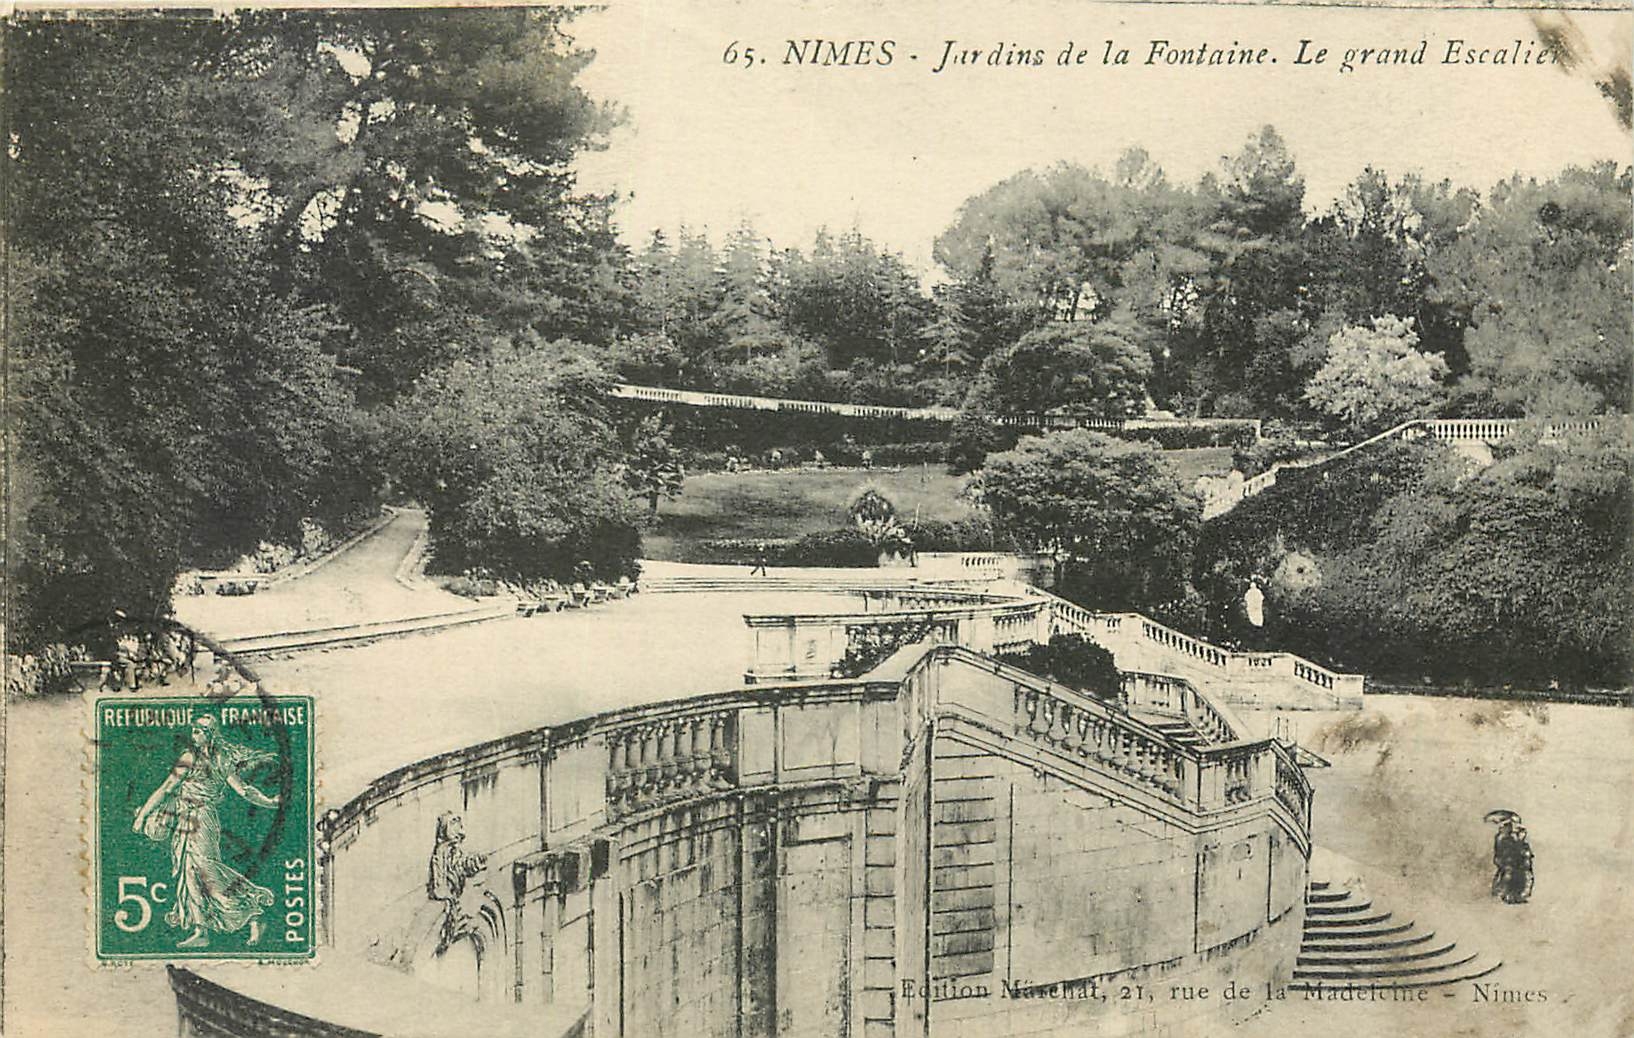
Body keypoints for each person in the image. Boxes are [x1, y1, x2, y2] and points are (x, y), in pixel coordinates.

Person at [132, 716, 279, 948]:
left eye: (200, 730)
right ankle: (202, 930)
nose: (195, 733)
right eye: (194, 729)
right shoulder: (189, 758)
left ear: (210, 734)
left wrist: (269, 802)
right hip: (184, 819)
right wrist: (143, 816)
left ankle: (251, 912)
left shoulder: (220, 759)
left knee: (205, 870)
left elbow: (244, 790)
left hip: (202, 819)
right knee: (189, 872)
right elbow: (167, 787)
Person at [1492, 817, 1534, 904]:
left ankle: (1518, 895)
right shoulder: (1503, 839)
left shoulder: (1517, 842)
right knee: (1508, 876)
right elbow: (1503, 852)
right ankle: (1507, 895)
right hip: (1508, 863)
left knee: (1523, 877)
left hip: (1519, 864)